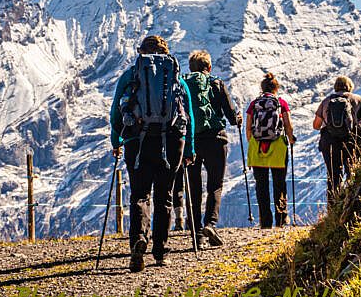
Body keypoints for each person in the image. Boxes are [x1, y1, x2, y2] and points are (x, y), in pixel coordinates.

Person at [109, 35, 195, 271]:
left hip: (137, 141)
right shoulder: (175, 75)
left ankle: (139, 240)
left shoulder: (131, 74)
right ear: (165, 52)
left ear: (141, 53)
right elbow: (189, 115)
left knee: (139, 194)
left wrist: (116, 140)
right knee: (164, 196)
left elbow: (116, 111)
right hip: (172, 141)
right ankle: (161, 252)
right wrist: (190, 148)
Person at [181, 49, 242, 247]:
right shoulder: (216, 83)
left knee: (193, 186)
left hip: (191, 141)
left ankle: (196, 234)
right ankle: (210, 223)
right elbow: (232, 117)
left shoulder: (183, 85)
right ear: (209, 67)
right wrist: (238, 118)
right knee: (215, 184)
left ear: (190, 68)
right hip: (216, 139)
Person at [245, 73, 295, 228]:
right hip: (278, 147)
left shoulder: (254, 104)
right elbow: (288, 125)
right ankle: (281, 219)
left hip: (258, 147)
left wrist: (254, 142)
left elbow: (248, 129)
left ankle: (265, 221)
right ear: (276, 88)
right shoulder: (281, 103)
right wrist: (291, 139)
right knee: (280, 183)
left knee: (261, 185)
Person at [313, 75, 361, 196]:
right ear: (350, 86)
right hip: (352, 141)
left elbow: (316, 125)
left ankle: (333, 209)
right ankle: (353, 204)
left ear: (336, 87)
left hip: (330, 142)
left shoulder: (326, 101)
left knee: (333, 176)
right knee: (354, 173)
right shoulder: (358, 100)